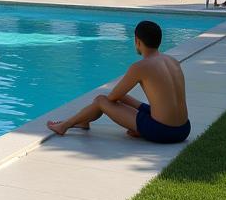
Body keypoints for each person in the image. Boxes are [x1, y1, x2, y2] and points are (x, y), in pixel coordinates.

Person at [47, 20, 191, 144]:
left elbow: (111, 99)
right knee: (122, 97)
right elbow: (120, 97)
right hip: (184, 129)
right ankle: (84, 121)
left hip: (163, 131)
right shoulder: (172, 61)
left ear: (137, 41)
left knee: (100, 100)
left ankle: (65, 125)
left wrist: (115, 100)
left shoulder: (140, 67)